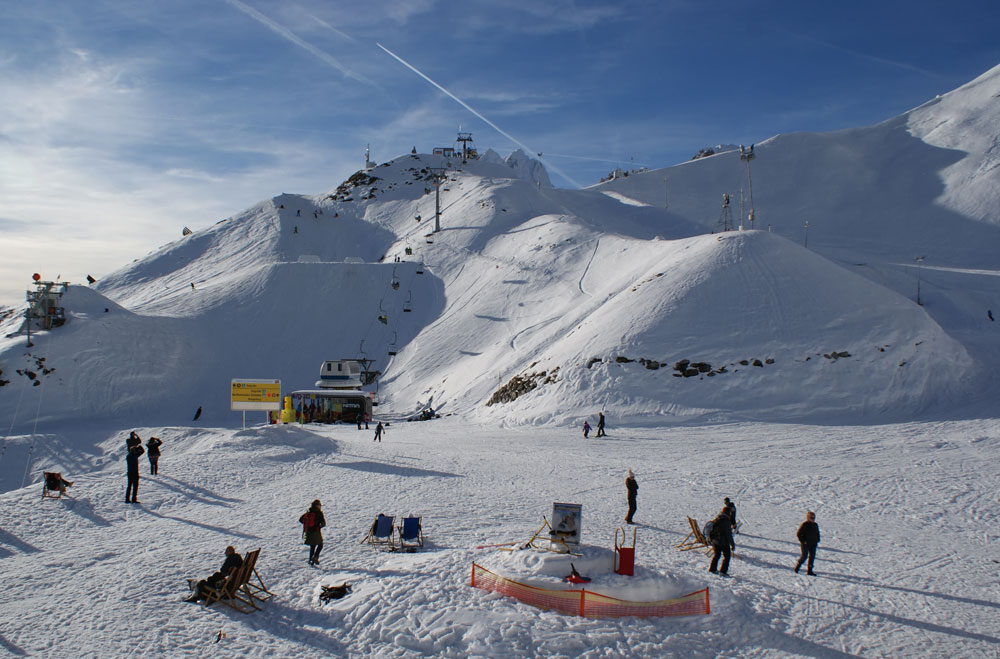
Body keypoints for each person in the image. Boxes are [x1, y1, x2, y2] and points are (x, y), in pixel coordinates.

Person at [300, 500, 327, 566]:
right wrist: (319, 526)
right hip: (316, 531)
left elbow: (301, 520)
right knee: (320, 545)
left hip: (308, 532)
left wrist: (307, 525)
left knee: (312, 546)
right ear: (317, 505)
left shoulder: (308, 511)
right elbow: (323, 523)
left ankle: (310, 561)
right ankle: (315, 557)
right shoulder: (319, 513)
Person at [708, 511, 735, 575]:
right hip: (723, 542)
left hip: (715, 541)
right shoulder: (726, 522)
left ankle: (712, 569)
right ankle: (723, 571)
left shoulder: (717, 519)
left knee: (717, 555)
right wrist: (732, 544)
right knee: (727, 556)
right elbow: (728, 535)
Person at [795, 511, 821, 575]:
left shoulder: (815, 525)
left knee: (812, 557)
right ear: (808, 517)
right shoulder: (805, 525)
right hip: (805, 544)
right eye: (811, 517)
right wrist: (803, 541)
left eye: (814, 518)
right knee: (804, 556)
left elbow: (817, 533)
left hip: (813, 544)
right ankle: (798, 566)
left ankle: (810, 570)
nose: (813, 519)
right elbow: (799, 534)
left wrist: (817, 539)